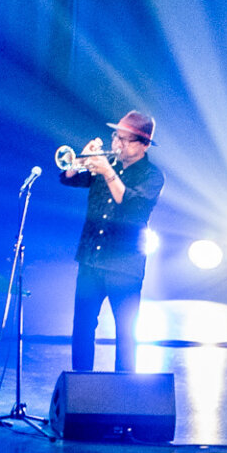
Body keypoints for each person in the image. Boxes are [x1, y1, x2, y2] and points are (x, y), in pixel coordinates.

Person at [62, 110, 165, 372]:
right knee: (82, 327)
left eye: (124, 139)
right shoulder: (107, 165)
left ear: (143, 145)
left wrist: (108, 172)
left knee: (126, 334)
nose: (116, 144)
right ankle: (81, 389)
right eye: (115, 137)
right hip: (90, 260)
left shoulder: (152, 176)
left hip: (124, 266)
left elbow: (132, 208)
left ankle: (124, 395)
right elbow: (68, 178)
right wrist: (81, 159)